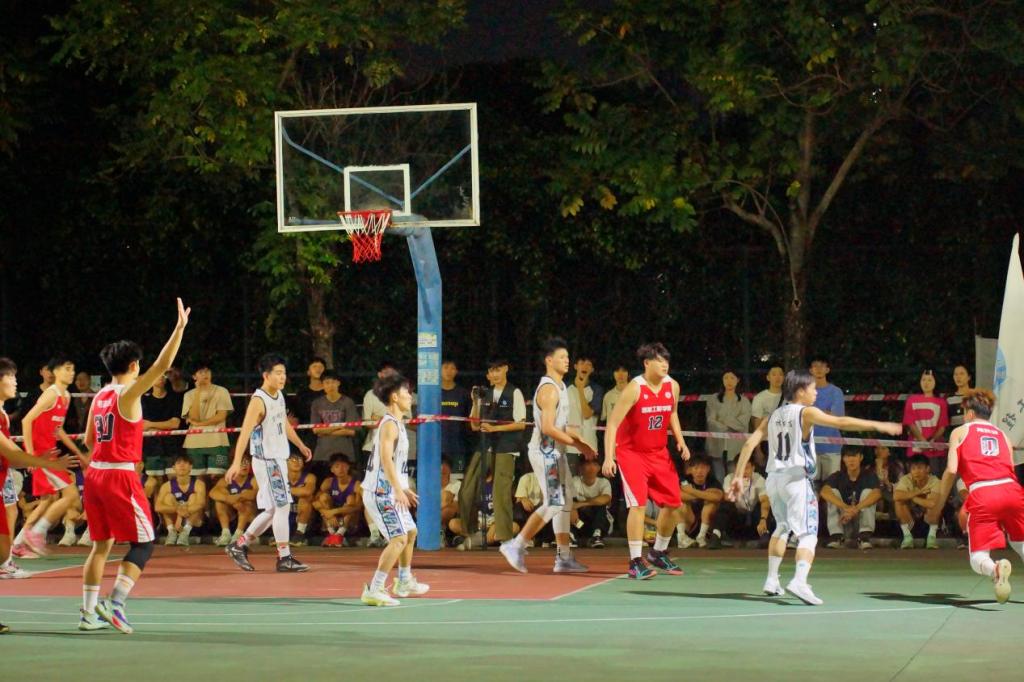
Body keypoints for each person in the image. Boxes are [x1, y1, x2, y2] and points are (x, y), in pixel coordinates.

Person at [729, 369, 901, 606]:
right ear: (800, 391)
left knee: (782, 527)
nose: (816, 393)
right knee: (809, 533)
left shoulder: (774, 415)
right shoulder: (806, 412)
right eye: (812, 389)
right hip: (796, 479)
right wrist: (878, 426)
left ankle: (771, 579)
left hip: (774, 478)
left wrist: (738, 476)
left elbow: (749, 444)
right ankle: (799, 581)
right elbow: (840, 422)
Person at [78, 298, 190, 633]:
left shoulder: (99, 397)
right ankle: (116, 603)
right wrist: (179, 329)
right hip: (119, 475)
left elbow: (89, 440)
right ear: (134, 365)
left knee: (101, 545)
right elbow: (162, 364)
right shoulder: (127, 394)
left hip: (95, 474)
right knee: (144, 542)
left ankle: (87, 614)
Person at [500, 338, 596, 574]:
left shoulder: (562, 387)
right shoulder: (549, 390)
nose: (567, 361)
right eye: (562, 357)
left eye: (567, 357)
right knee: (554, 502)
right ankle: (516, 545)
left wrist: (581, 442)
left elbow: (563, 426)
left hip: (556, 452)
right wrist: (577, 444)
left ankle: (563, 557)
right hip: (545, 453)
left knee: (566, 500)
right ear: (549, 361)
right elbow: (548, 428)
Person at [602, 342, 689, 577]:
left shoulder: (673, 386)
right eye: (659, 361)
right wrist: (609, 457)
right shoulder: (634, 388)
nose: (664, 365)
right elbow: (612, 424)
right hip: (632, 454)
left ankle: (658, 552)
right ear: (646, 363)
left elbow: (672, 413)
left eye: (666, 360)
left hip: (659, 453)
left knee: (674, 504)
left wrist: (680, 440)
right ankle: (635, 561)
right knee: (638, 505)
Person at [930, 389, 1024, 603]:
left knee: (978, 557)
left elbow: (951, 470)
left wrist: (938, 504)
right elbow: (1010, 468)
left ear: (970, 413)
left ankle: (995, 569)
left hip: (984, 493)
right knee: (1020, 543)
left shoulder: (960, 432)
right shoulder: (1003, 435)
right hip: (1013, 490)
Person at [224, 353, 312, 573]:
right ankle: (284, 557)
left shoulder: (278, 395)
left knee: (273, 509)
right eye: (278, 373)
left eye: (284, 373)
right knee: (282, 506)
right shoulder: (258, 400)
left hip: (278, 458)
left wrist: (300, 444)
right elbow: (245, 432)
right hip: (267, 461)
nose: (283, 377)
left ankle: (239, 544)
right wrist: (236, 462)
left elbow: (283, 422)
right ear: (266, 375)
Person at [0, 357, 78, 582]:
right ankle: (33, 534)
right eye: (11, 377)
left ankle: (8, 558)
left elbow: (11, 454)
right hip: (40, 454)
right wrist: (36, 458)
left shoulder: (4, 413)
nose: (16, 382)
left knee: (12, 511)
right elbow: (13, 448)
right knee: (66, 495)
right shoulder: (50, 394)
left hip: (14, 467)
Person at [360, 372, 430, 606]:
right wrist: (397, 489)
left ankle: (404, 581)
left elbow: (396, 464)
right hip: (380, 492)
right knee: (399, 538)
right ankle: (375, 588)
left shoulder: (398, 423)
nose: (410, 396)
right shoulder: (389, 424)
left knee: (410, 533)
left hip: (390, 489)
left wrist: (403, 488)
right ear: (394, 397)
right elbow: (385, 459)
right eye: (406, 392)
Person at [12, 355, 86, 557]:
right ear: (55, 372)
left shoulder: (66, 396)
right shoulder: (50, 394)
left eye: (73, 369)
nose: (71, 373)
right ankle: (37, 532)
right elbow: (27, 421)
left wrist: (78, 452)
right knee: (71, 495)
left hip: (51, 454)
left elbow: (58, 429)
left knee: (48, 499)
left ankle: (18, 543)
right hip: (41, 455)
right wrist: (30, 455)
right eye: (67, 369)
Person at [461, 358, 525, 548]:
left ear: (505, 369)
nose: (495, 374)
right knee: (467, 488)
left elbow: (521, 423)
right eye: (491, 371)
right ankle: (469, 532)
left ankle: (505, 537)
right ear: (488, 374)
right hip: (486, 445)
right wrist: (475, 402)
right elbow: (474, 426)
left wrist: (495, 429)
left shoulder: (515, 392)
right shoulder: (485, 394)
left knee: (501, 492)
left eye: (498, 370)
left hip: (506, 447)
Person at [181, 361, 234, 488]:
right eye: (201, 372)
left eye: (207, 371)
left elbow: (221, 416)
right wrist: (198, 392)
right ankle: (203, 502)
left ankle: (216, 501)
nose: (205, 374)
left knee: (219, 476)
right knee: (199, 480)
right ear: (194, 376)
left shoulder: (222, 391)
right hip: (194, 444)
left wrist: (200, 424)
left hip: (218, 443)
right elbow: (193, 417)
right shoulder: (189, 395)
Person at [820, 446, 880, 549]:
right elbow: (824, 492)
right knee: (832, 492)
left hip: (859, 522)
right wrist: (845, 508)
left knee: (868, 492)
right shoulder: (838, 476)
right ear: (843, 459)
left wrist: (856, 509)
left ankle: (864, 538)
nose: (851, 460)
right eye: (848, 456)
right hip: (843, 521)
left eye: (854, 456)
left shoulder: (869, 475)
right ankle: (836, 537)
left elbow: (877, 493)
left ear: (861, 457)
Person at [141, 371, 183, 510]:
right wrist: (164, 424)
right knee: (156, 485)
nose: (160, 377)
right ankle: (160, 518)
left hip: (172, 447)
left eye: (163, 375)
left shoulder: (174, 398)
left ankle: (177, 517)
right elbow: (143, 425)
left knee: (174, 483)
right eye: (157, 375)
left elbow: (175, 424)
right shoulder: (143, 400)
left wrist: (151, 424)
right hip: (152, 448)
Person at [309, 370, 359, 479]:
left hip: (345, 453)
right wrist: (340, 426)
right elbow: (316, 430)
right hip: (322, 454)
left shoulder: (348, 402)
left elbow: (351, 431)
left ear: (338, 383)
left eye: (333, 382)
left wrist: (325, 431)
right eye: (327, 383)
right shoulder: (317, 403)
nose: (330, 385)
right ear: (322, 385)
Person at [705, 370, 752, 481]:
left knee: (734, 475)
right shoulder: (713, 399)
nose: (729, 381)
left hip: (736, 445)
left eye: (732, 378)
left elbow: (742, 423)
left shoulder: (744, 401)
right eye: (726, 378)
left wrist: (722, 420)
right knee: (718, 476)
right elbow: (711, 420)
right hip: (717, 443)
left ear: (738, 380)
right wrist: (727, 426)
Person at [902, 369, 950, 477]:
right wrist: (923, 441)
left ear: (935, 382)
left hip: (935, 449)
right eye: (923, 380)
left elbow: (943, 426)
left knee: (935, 478)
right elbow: (910, 423)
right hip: (916, 448)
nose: (926, 383)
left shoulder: (941, 402)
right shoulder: (911, 400)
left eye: (929, 380)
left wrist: (931, 441)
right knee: (915, 478)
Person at [808, 355, 846, 484]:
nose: (819, 369)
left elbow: (838, 417)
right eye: (815, 366)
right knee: (810, 488)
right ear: (810, 370)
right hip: (810, 447)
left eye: (822, 366)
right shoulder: (804, 391)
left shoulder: (836, 391)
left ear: (827, 370)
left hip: (832, 447)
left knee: (832, 487)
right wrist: (826, 412)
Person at [155, 454, 207, 546]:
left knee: (193, 497)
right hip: (174, 522)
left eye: (185, 463)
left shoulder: (199, 484)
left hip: (194, 522)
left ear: (191, 467)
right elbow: (158, 507)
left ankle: (185, 532)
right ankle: (171, 532)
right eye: (178, 463)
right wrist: (177, 510)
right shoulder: (166, 486)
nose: (182, 465)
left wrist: (181, 515)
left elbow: (201, 504)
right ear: (173, 468)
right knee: (168, 497)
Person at [893, 454, 942, 549]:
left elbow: (932, 503)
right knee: (899, 502)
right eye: (913, 468)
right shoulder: (906, 479)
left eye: (920, 468)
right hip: (910, 521)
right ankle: (907, 536)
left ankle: (931, 537)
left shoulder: (935, 481)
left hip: (927, 521)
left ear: (927, 469)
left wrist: (912, 497)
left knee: (935, 506)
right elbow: (896, 496)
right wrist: (918, 492)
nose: (916, 472)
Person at [718, 459, 770, 547]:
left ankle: (764, 533)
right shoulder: (729, 478)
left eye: (746, 468)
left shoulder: (759, 479)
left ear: (753, 468)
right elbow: (727, 498)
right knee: (725, 505)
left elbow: (765, 500)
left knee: (764, 506)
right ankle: (716, 534)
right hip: (736, 519)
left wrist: (763, 519)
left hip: (754, 518)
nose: (743, 472)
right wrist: (737, 488)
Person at [314, 453, 362, 547]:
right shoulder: (328, 482)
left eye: (344, 466)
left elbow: (358, 507)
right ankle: (332, 534)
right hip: (332, 520)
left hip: (350, 521)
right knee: (323, 497)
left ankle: (340, 533)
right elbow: (315, 502)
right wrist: (328, 513)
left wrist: (334, 511)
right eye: (337, 466)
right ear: (332, 469)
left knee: (351, 499)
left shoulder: (356, 484)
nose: (341, 469)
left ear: (348, 467)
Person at [209, 454, 257, 546]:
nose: (245, 465)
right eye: (241, 463)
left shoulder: (253, 479)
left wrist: (236, 499)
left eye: (247, 462)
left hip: (249, 519)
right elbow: (213, 493)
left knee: (247, 499)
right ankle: (225, 533)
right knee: (219, 501)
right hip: (233, 516)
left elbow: (253, 495)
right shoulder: (227, 479)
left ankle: (239, 534)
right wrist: (228, 499)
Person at [676, 456, 724, 549]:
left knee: (711, 503)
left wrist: (691, 491)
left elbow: (717, 496)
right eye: (696, 468)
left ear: (708, 469)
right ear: (690, 470)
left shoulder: (713, 481)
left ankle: (701, 537)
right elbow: (677, 495)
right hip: (690, 522)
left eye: (703, 468)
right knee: (680, 503)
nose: (699, 471)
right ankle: (681, 537)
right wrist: (704, 495)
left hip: (707, 524)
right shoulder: (684, 480)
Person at [565, 355, 602, 469]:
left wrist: (580, 389)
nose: (585, 366)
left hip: (589, 446)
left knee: (589, 479)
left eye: (589, 364)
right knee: (569, 479)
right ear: (575, 366)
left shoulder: (597, 390)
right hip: (569, 447)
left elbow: (587, 414)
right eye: (582, 363)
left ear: (592, 369)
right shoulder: (564, 388)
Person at [440, 360, 472, 476]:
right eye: (446, 367)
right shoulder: (432, 393)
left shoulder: (463, 393)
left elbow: (471, 420)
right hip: (437, 447)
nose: (449, 371)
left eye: (452, 368)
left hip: (458, 447)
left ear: (456, 371)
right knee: (437, 479)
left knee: (457, 480)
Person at [571, 459, 612, 548]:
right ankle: (570, 536)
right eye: (588, 464)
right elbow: (568, 500)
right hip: (579, 523)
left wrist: (582, 504)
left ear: (599, 468)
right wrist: (573, 508)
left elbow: (606, 498)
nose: (591, 467)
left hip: (600, 524)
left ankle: (596, 536)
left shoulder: (603, 482)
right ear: (581, 467)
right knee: (568, 506)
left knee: (600, 506)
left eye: (595, 464)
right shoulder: (575, 481)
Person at [750, 364, 785, 468]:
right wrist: (758, 449)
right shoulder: (760, 397)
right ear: (768, 377)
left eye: (780, 374)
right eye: (774, 374)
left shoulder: (790, 397)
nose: (777, 377)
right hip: (766, 443)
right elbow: (757, 424)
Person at [286, 452, 316, 546]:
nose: (297, 462)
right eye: (293, 459)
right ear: (286, 462)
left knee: (306, 498)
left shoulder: (309, 477)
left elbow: (307, 492)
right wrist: (298, 490)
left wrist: (285, 490)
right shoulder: (280, 476)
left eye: (299, 459)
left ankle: (300, 534)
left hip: (304, 517)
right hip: (286, 515)